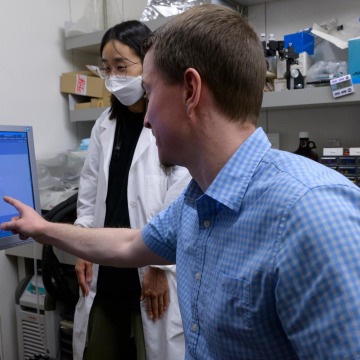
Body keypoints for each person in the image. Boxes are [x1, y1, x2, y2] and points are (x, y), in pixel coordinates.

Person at [2, 4, 360, 358]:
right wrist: (44, 229)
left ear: (190, 90)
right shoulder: (197, 201)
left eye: (151, 91)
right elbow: (129, 245)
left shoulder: (311, 212)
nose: (145, 119)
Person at [71, 21, 189, 360]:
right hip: (106, 267)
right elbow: (90, 191)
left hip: (152, 269)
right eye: (107, 68)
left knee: (150, 348)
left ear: (148, 62)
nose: (113, 76)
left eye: (121, 67)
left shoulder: (169, 119)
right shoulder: (104, 124)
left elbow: (180, 197)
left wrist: (157, 265)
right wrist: (81, 242)